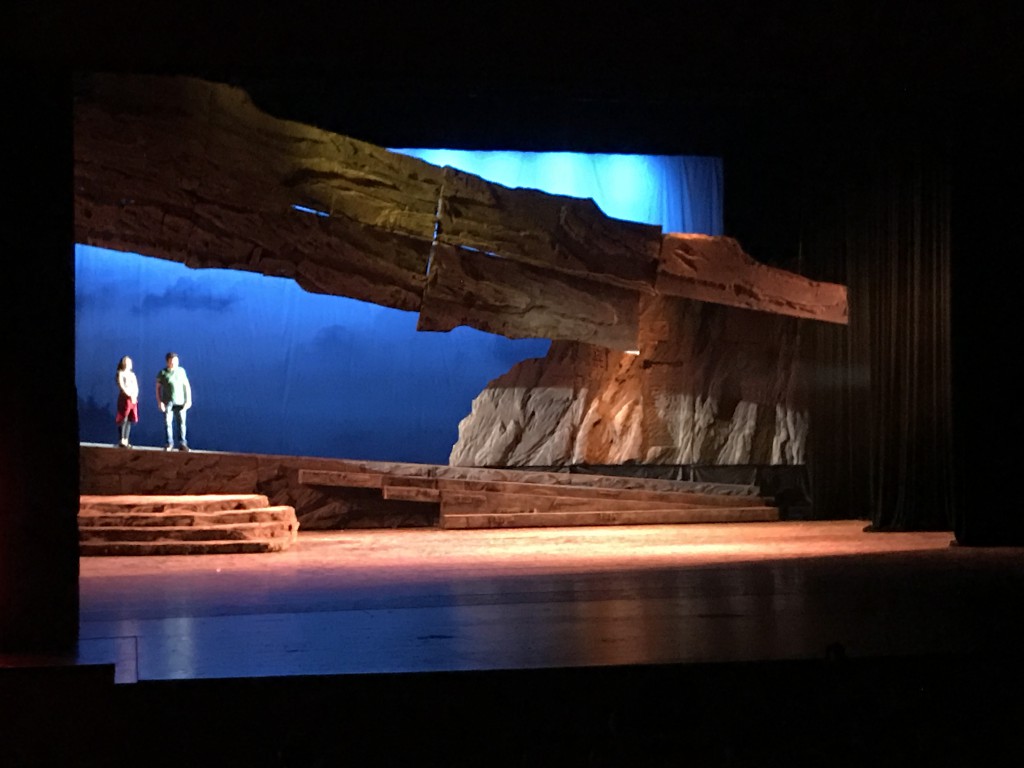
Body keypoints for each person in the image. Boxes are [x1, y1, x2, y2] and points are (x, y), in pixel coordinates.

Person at [155, 352, 192, 451]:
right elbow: (157, 388)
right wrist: (159, 401)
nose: (174, 363)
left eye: (176, 361)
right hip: (168, 402)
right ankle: (169, 443)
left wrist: (188, 400)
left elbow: (186, 386)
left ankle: (182, 443)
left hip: (180, 402)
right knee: (168, 423)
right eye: (172, 361)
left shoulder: (181, 371)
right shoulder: (163, 373)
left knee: (182, 423)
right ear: (168, 362)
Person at [114, 355, 139, 448]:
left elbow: (136, 386)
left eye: (130, 362)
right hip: (124, 398)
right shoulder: (120, 373)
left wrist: (134, 395)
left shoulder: (132, 375)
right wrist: (129, 394)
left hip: (132, 399)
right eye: (127, 362)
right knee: (123, 417)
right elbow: (121, 385)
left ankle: (126, 439)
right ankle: (121, 439)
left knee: (129, 419)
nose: (129, 364)